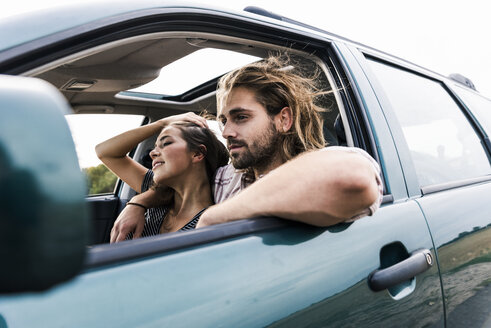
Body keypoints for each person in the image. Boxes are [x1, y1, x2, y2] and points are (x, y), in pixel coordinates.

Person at [110, 56, 383, 242]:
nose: (227, 132)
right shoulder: (224, 178)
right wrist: (138, 202)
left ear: (283, 119)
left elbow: (354, 179)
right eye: (223, 120)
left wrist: (213, 218)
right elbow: (176, 188)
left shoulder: (315, 166)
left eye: (241, 117)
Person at [96, 116, 229, 236]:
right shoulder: (157, 190)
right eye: (155, 147)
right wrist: (161, 123)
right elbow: (104, 151)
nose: (152, 153)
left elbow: (106, 153)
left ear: (197, 153)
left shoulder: (211, 222)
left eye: (166, 143)